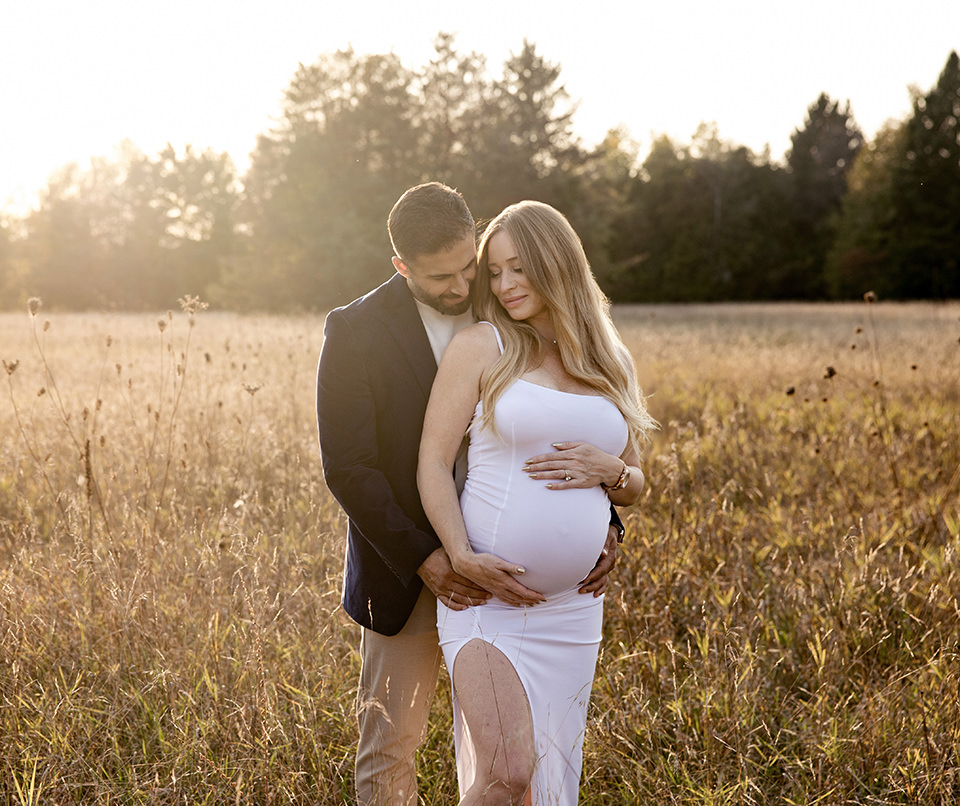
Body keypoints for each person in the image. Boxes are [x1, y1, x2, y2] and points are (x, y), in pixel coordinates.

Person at [316, 183, 621, 806]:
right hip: (413, 570)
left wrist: (606, 520)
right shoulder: (356, 330)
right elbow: (350, 467)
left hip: (521, 588)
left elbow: (569, 418)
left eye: (467, 265)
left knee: (513, 763)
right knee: (392, 745)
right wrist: (429, 558)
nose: (462, 285)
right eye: (440, 277)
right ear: (402, 267)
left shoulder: (512, 302)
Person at [418, 200, 656, 805]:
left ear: (556, 264)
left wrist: (615, 471)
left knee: (547, 780)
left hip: (572, 611)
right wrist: (460, 554)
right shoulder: (482, 345)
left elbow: (635, 485)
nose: (504, 285)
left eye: (518, 268)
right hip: (488, 601)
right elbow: (432, 465)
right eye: (495, 272)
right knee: (508, 772)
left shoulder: (609, 360)